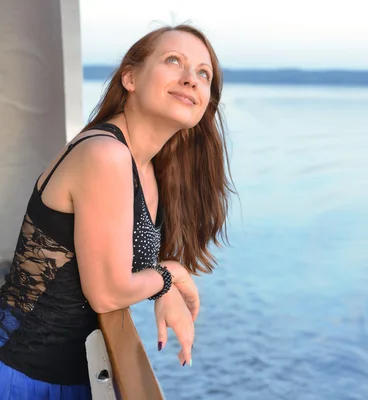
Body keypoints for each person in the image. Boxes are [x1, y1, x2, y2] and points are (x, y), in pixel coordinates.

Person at [0, 23, 234, 399]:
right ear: (130, 77)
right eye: (174, 61)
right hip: (22, 376)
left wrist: (163, 285)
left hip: (65, 372)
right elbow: (108, 293)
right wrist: (170, 275)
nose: (191, 79)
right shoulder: (106, 155)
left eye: (203, 73)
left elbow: (121, 261)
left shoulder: (147, 167)